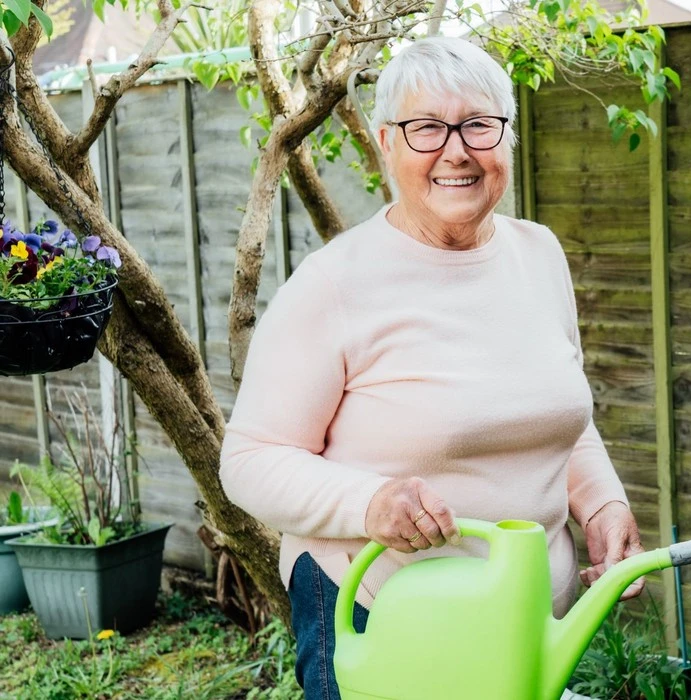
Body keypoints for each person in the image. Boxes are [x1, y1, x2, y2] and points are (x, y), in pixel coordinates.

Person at [219, 35, 645, 700]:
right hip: (383, 615)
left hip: (519, 621)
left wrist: (602, 504)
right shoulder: (334, 285)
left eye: (478, 125)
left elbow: (559, 414)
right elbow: (249, 460)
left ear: (506, 140)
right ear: (386, 143)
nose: (456, 150)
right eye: (426, 128)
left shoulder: (539, 255)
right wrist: (369, 503)